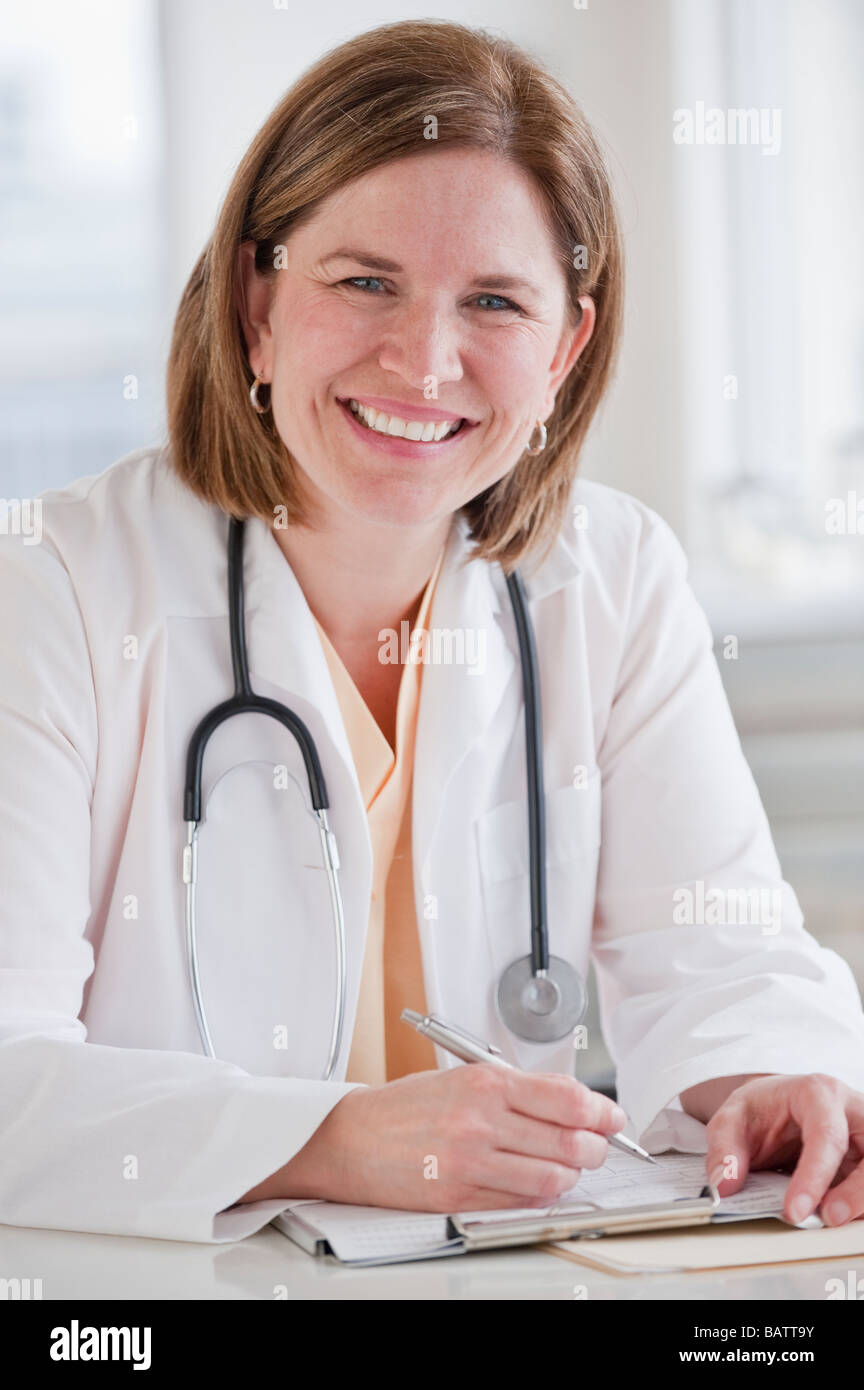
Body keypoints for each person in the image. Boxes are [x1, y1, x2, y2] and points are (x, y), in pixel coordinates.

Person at [1, 19, 862, 1246]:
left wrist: (778, 1084)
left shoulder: (609, 579)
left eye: (497, 302)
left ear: (565, 348)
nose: (425, 360)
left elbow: (721, 956)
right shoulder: (52, 587)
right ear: (256, 301)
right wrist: (335, 1137)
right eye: (363, 281)